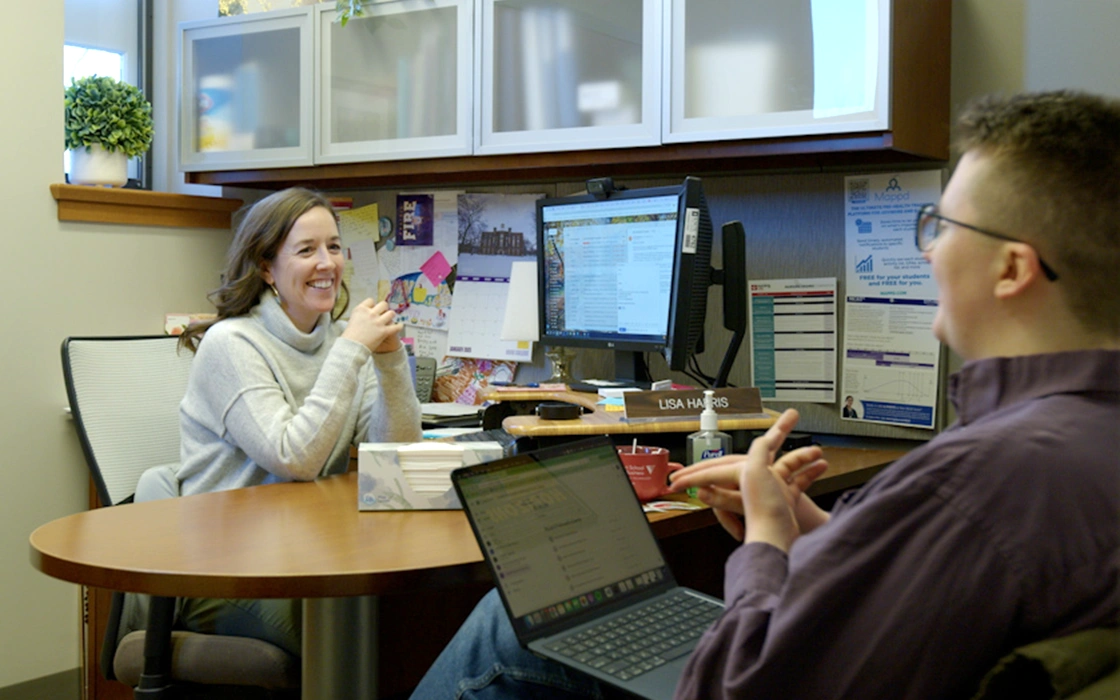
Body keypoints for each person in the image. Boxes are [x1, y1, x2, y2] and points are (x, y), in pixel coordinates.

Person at [409, 90, 1120, 699]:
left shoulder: (975, 485)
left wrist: (768, 548)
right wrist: (815, 527)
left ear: (1012, 269)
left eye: (942, 224)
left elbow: (739, 685)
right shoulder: (1075, 446)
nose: (929, 249)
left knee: (511, 631)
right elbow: (936, 593)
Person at [126, 187, 423, 657]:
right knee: (359, 643)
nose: (326, 263)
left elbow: (396, 464)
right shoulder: (232, 344)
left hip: (310, 558)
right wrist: (352, 352)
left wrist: (388, 362)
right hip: (224, 571)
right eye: (306, 250)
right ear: (266, 268)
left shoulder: (342, 344)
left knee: (412, 618)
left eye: (332, 246)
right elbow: (294, 458)